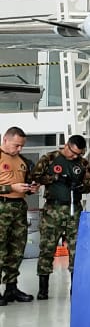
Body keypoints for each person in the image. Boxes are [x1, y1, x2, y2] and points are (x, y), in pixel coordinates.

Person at [32, 135, 90, 299]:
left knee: (76, 249)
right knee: (47, 247)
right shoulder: (50, 158)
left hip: (74, 209)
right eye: (73, 153)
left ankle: (76, 287)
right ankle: (43, 289)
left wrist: (79, 186)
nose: (75, 157)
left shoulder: (83, 163)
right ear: (67, 145)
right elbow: (35, 176)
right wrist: (55, 178)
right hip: (53, 209)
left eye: (78, 154)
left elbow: (88, 186)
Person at [0, 125, 37, 304]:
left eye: (22, 146)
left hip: (18, 208)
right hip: (1, 207)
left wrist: (31, 188)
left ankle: (11, 287)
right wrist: (10, 188)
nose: (19, 149)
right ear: (5, 140)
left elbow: (25, 183)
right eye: (16, 145)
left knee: (16, 249)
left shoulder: (22, 160)